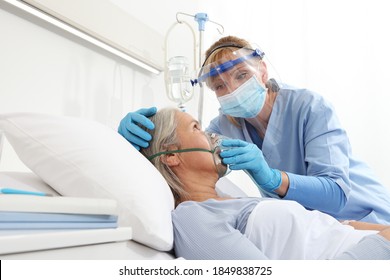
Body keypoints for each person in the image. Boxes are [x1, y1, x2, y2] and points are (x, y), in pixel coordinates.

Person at [118, 35, 390, 225]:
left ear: (262, 71)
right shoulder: (224, 126)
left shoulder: (310, 107)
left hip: (366, 217)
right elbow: (182, 149)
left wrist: (272, 178)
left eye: (241, 75)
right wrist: (128, 143)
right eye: (220, 86)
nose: (232, 90)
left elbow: (336, 193)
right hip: (319, 230)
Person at [139, 107, 390, 260]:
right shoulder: (192, 217)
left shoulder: (234, 201)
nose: (213, 136)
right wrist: (383, 245)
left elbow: (332, 228)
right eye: (196, 128)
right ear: (170, 154)